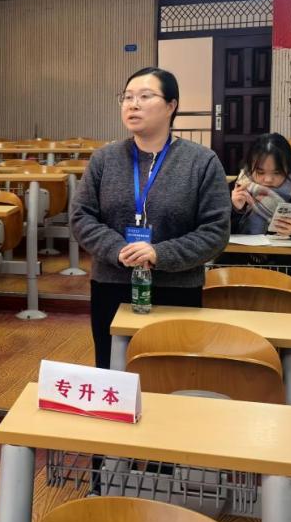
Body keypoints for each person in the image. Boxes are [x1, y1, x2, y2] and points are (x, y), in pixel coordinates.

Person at [71, 67, 231, 370]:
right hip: (112, 283)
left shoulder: (201, 161)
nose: (133, 104)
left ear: (171, 106)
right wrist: (118, 249)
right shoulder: (104, 159)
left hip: (177, 286)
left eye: (145, 96)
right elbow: (81, 216)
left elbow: (215, 231)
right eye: (127, 97)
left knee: (172, 374)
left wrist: (160, 253)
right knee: (113, 370)